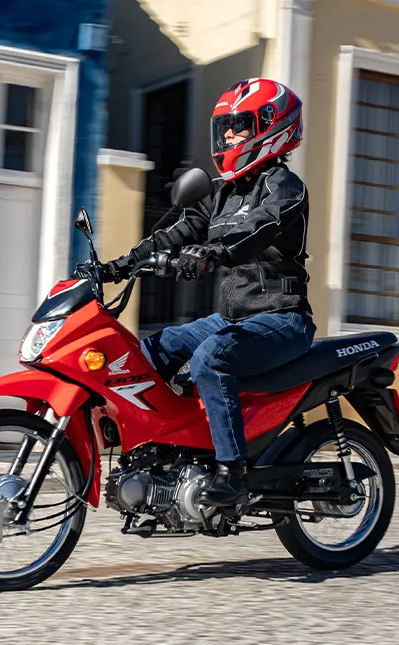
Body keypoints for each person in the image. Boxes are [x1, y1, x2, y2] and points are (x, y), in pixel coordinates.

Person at [103, 78, 315, 507]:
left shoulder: (285, 187)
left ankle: (232, 470)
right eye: (226, 128)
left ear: (271, 125)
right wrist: (121, 264)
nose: (230, 136)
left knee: (210, 358)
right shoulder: (220, 194)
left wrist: (213, 253)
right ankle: (163, 451)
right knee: (151, 352)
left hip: (282, 318)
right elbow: (175, 232)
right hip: (232, 319)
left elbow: (258, 229)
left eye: (239, 126)